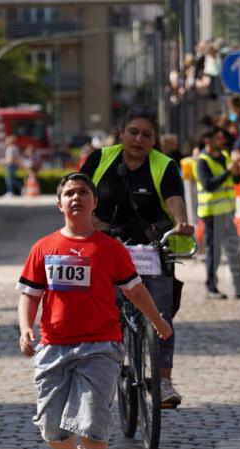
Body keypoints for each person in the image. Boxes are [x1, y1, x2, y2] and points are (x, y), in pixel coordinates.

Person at [17, 172, 171, 449]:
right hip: (54, 347)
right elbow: (30, 295)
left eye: (83, 192)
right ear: (59, 204)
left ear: (94, 202)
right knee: (51, 428)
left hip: (101, 345)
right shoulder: (44, 247)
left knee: (91, 423)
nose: (76, 198)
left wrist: (157, 321)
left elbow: (133, 290)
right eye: (69, 193)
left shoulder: (110, 248)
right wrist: (26, 328)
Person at [80, 107, 194, 407]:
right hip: (107, 245)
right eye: (133, 132)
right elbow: (78, 191)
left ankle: (164, 381)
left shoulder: (164, 165)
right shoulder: (100, 159)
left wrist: (182, 221)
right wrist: (86, 223)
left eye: (146, 134)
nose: (139, 139)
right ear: (121, 133)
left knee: (161, 313)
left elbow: (174, 198)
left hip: (152, 248)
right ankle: (106, 366)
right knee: (105, 311)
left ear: (154, 139)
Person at [195, 122, 240, 300]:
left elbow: (234, 181)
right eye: (217, 138)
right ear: (208, 140)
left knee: (234, 250)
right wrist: (228, 172)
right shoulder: (202, 161)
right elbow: (208, 185)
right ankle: (211, 286)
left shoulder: (223, 156)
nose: (221, 140)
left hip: (227, 212)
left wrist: (236, 172)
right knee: (215, 252)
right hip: (212, 214)